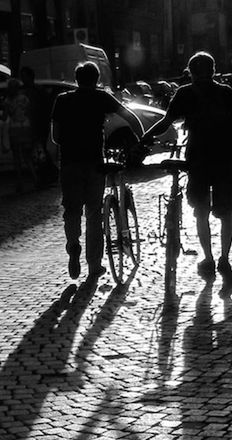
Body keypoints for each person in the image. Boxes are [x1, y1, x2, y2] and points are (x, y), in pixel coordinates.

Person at [140, 51, 232, 294]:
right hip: (224, 159)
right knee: (227, 211)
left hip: (198, 159)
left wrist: (146, 138)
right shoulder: (226, 92)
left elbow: (167, 122)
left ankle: (208, 258)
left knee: (201, 211)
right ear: (214, 69)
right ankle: (225, 258)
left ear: (190, 71)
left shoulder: (185, 93)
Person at [51, 61, 143, 280]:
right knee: (94, 213)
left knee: (71, 210)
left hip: (70, 164)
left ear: (76, 79)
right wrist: (140, 139)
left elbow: (55, 136)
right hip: (94, 163)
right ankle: (94, 265)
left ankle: (73, 244)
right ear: (96, 78)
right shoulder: (101, 97)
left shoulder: (62, 100)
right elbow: (130, 116)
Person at [1, 77, 36, 193]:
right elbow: (30, 112)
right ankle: (35, 178)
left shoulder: (7, 101)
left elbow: (5, 117)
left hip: (14, 129)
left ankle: (20, 182)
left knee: (17, 158)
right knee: (27, 156)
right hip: (25, 126)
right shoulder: (24, 99)